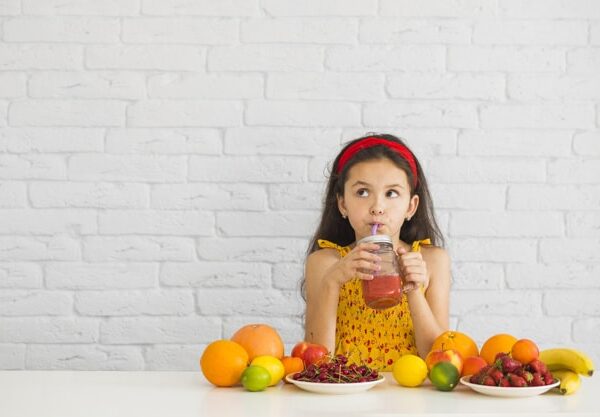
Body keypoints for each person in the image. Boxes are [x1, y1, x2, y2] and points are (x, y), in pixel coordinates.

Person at [302, 133, 451, 371]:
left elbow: (440, 359)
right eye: (362, 192)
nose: (377, 207)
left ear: (410, 206)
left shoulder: (432, 261)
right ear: (342, 204)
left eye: (391, 193)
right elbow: (316, 363)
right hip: (346, 392)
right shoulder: (325, 262)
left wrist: (413, 290)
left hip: (410, 396)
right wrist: (333, 281)